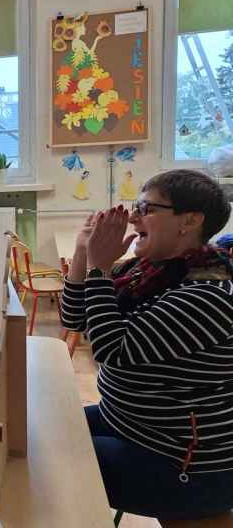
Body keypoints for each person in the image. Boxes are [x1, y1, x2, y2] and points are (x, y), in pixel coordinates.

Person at [61, 169, 233, 521]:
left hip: (184, 465)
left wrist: (99, 269)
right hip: (128, 422)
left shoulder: (207, 295)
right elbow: (76, 319)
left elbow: (111, 350)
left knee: (50, 461)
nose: (134, 217)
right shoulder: (148, 270)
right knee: (44, 429)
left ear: (190, 220)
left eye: (147, 208)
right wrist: (83, 253)